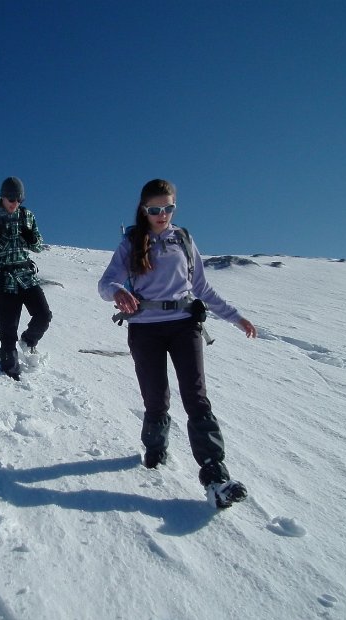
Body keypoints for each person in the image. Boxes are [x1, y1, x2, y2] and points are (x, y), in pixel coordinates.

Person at [98, 178, 257, 509]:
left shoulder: (182, 239)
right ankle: (155, 449)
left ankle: (215, 476)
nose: (162, 214)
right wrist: (117, 291)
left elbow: (201, 286)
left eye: (168, 208)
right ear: (143, 210)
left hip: (185, 326)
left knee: (196, 398)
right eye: (155, 209)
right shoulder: (131, 241)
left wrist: (235, 317)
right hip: (145, 330)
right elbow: (105, 282)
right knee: (156, 400)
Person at [0, 177, 52, 380]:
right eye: (11, 198)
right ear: (2, 196)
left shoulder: (27, 216)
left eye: (19, 199)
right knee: (8, 333)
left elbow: (39, 245)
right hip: (3, 280)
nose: (15, 203)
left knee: (43, 316)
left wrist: (32, 238)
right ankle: (9, 377)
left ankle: (28, 340)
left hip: (26, 277)